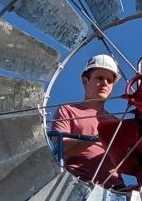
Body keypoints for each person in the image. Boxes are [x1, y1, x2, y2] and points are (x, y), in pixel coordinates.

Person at [51, 54, 124, 188]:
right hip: (77, 183)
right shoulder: (68, 111)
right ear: (85, 81)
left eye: (109, 80)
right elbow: (61, 147)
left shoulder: (116, 122)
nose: (104, 83)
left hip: (114, 189)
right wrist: (98, 137)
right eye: (99, 78)